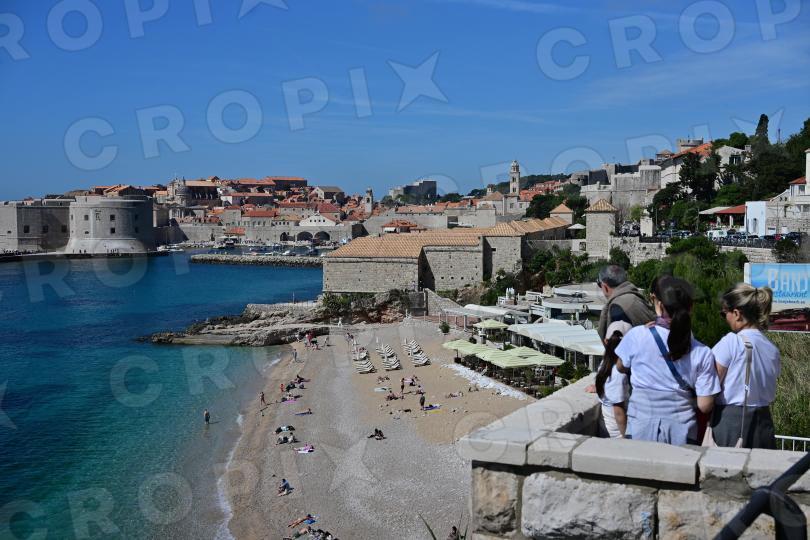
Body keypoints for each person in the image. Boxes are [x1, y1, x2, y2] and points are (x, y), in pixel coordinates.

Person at [615, 276, 720, 445]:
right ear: (691, 308)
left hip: (640, 427)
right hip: (682, 432)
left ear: (659, 305)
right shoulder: (702, 352)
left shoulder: (637, 335)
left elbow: (620, 367)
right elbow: (705, 405)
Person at [710, 284, 779, 449]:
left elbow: (710, 384)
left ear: (737, 314)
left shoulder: (731, 342)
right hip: (763, 423)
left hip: (730, 422)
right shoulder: (772, 349)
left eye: (724, 313)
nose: (725, 318)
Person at [590, 321, 631, 438]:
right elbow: (618, 411)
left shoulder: (605, 364)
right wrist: (627, 439)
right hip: (618, 434)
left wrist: (599, 387)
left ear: (605, 341)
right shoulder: (619, 373)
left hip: (606, 429)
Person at [596, 265, 656, 340]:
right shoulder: (638, 298)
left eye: (600, 285)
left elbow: (615, 343)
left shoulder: (616, 307)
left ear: (605, 287)